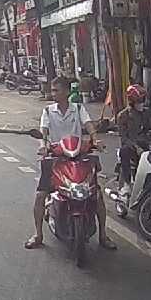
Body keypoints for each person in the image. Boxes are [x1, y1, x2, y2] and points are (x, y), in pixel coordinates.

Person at [26, 76, 116, 251]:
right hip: (56, 157)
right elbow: (44, 131)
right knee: (41, 195)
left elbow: (88, 125)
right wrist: (43, 145)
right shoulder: (48, 111)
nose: (53, 93)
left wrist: (95, 139)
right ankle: (38, 234)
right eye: (52, 90)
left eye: (56, 90)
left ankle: (103, 235)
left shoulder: (78, 108)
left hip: (78, 156)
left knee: (96, 195)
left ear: (67, 92)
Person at [115, 84, 151, 193]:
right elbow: (124, 138)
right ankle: (127, 183)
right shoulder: (123, 116)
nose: (142, 103)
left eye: (143, 100)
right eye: (139, 101)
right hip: (131, 147)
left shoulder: (146, 113)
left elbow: (150, 130)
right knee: (124, 152)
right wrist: (137, 148)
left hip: (145, 144)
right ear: (132, 102)